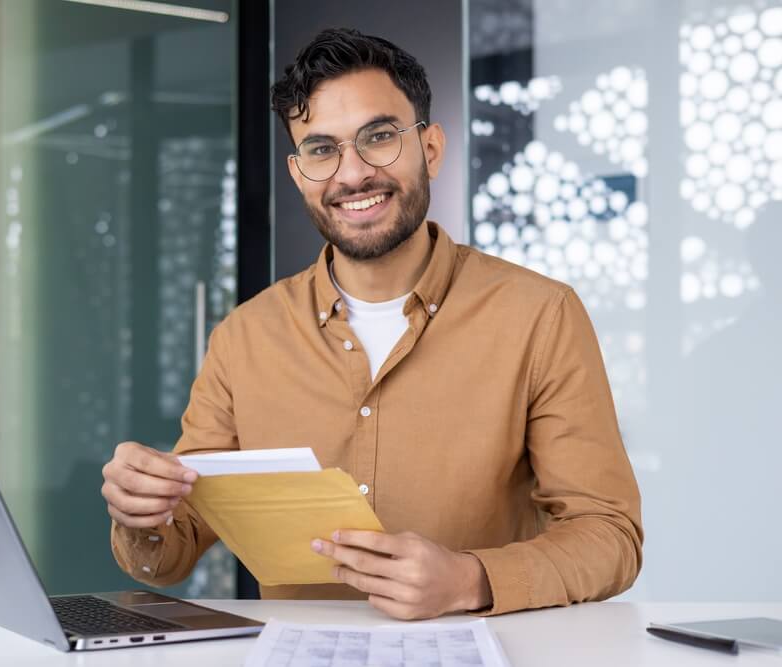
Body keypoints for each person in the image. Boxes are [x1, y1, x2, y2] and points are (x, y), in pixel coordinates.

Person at [101, 27, 642, 619]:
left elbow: (609, 534)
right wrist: (142, 515)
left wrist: (471, 580)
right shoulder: (243, 338)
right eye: (322, 149)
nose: (353, 174)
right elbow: (171, 551)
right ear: (298, 170)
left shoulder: (540, 315)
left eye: (378, 137)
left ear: (430, 148)